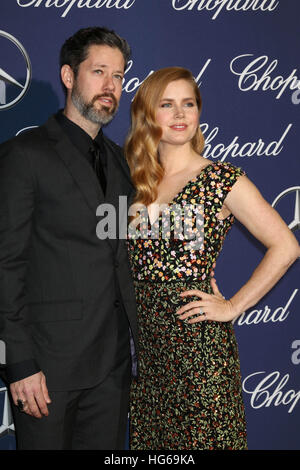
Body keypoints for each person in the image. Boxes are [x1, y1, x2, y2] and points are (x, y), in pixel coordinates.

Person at [125, 66, 299, 450]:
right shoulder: (135, 183)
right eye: (167, 104)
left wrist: (232, 305)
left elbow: (287, 246)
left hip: (199, 350)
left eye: (188, 103)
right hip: (148, 357)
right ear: (148, 114)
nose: (180, 114)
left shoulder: (221, 178)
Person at [0, 27, 138, 450]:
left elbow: (119, 250)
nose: (110, 87)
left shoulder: (118, 159)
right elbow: (6, 264)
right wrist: (20, 364)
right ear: (68, 76)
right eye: (98, 72)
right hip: (47, 371)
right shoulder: (25, 155)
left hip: (112, 369)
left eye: (117, 76)